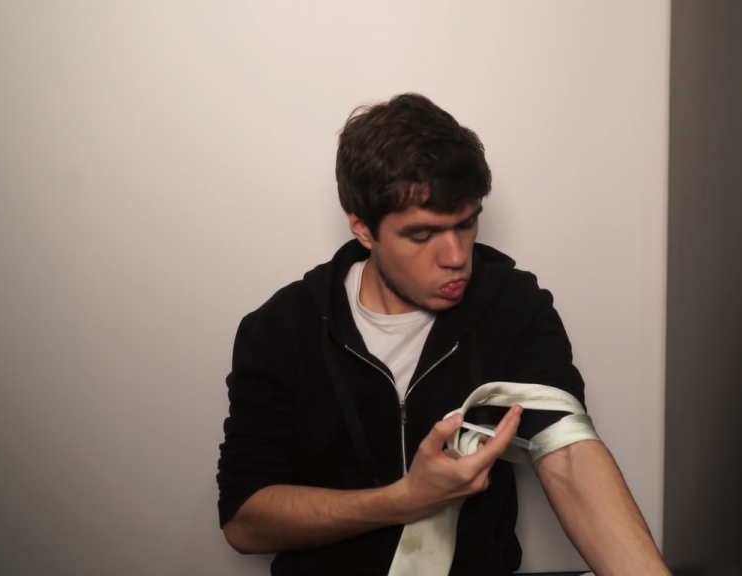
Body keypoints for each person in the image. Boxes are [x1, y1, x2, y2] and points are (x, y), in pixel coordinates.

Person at [216, 93, 671, 576]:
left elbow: (569, 452)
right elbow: (245, 521)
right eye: (422, 235)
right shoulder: (283, 328)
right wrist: (404, 500)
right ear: (363, 229)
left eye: (467, 223)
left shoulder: (513, 305)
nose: (456, 256)